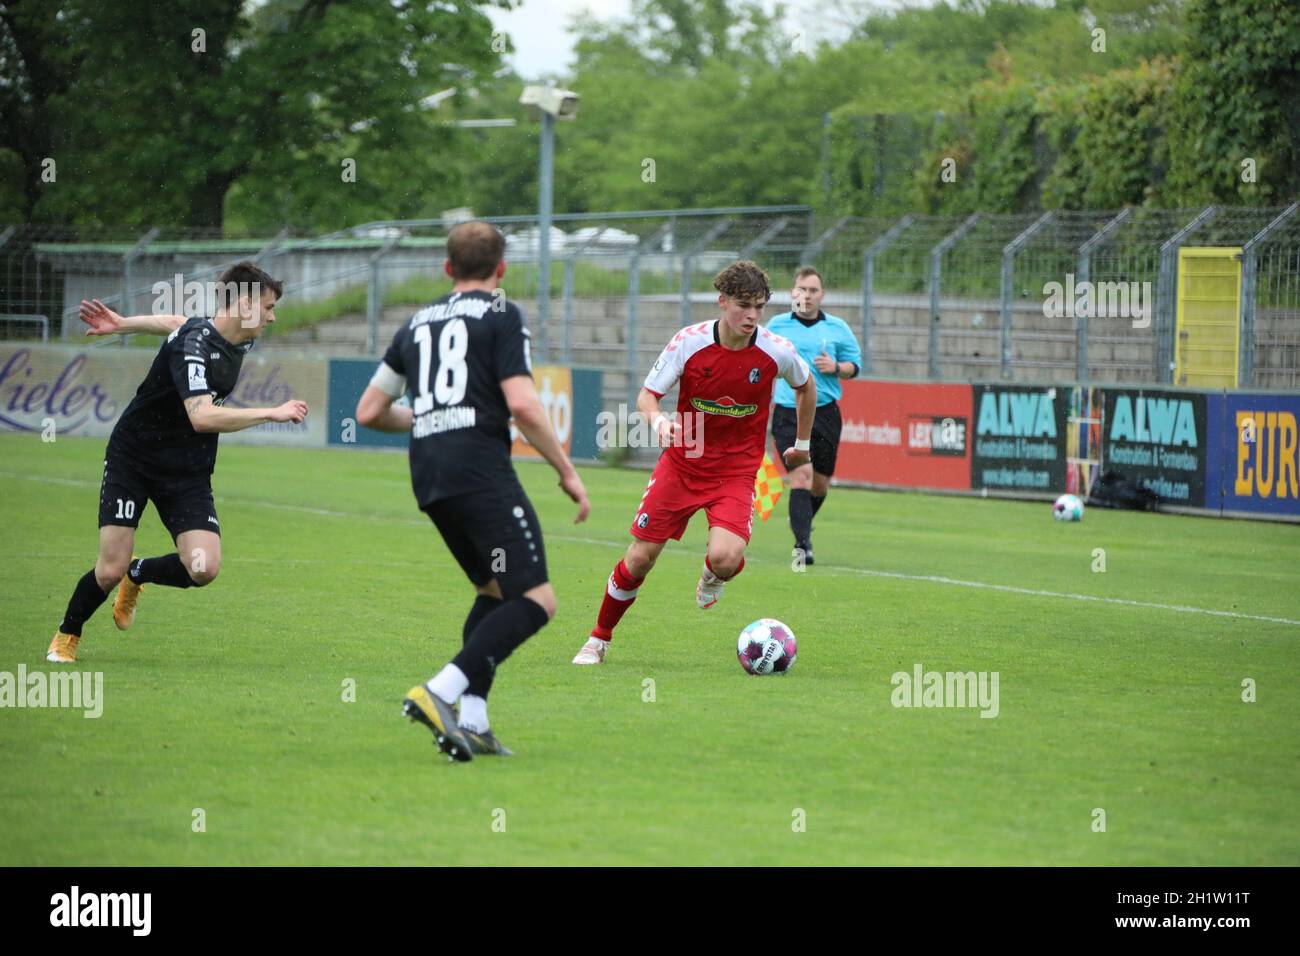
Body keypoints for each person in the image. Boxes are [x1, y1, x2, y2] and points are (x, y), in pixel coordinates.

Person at [355, 220, 590, 760]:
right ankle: (439, 691)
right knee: (538, 602)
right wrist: (566, 471)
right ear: (501, 270)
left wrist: (432, 415)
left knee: (494, 592)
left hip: (431, 476)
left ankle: (477, 722)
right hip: (480, 474)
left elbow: (368, 411)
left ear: (447, 268)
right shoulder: (503, 313)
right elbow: (525, 405)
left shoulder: (414, 322)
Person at [48, 262, 308, 664]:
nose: (273, 317)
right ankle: (68, 633)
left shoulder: (236, 335)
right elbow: (201, 417)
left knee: (204, 567)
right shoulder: (193, 344)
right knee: (108, 569)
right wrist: (270, 413)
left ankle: (140, 573)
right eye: (269, 307)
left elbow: (175, 318)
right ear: (244, 304)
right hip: (134, 458)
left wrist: (122, 324)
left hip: (186, 470)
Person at [572, 260, 814, 666]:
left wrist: (802, 443)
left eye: (759, 306)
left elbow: (807, 387)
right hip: (683, 465)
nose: (751, 315)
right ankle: (598, 639)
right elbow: (647, 397)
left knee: (726, 557)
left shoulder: (775, 351)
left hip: (736, 472)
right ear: (722, 302)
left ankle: (712, 576)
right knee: (639, 558)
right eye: (743, 305)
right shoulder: (689, 342)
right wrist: (659, 421)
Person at [765, 266, 862, 564]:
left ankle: (800, 518)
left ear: (822, 295)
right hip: (788, 413)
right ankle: (802, 545)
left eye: (812, 290)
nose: (806, 295)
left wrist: (835, 367)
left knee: (819, 485)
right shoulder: (776, 326)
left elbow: (855, 366)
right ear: (793, 292)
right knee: (801, 477)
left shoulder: (837, 328)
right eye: (801, 289)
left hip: (826, 413)